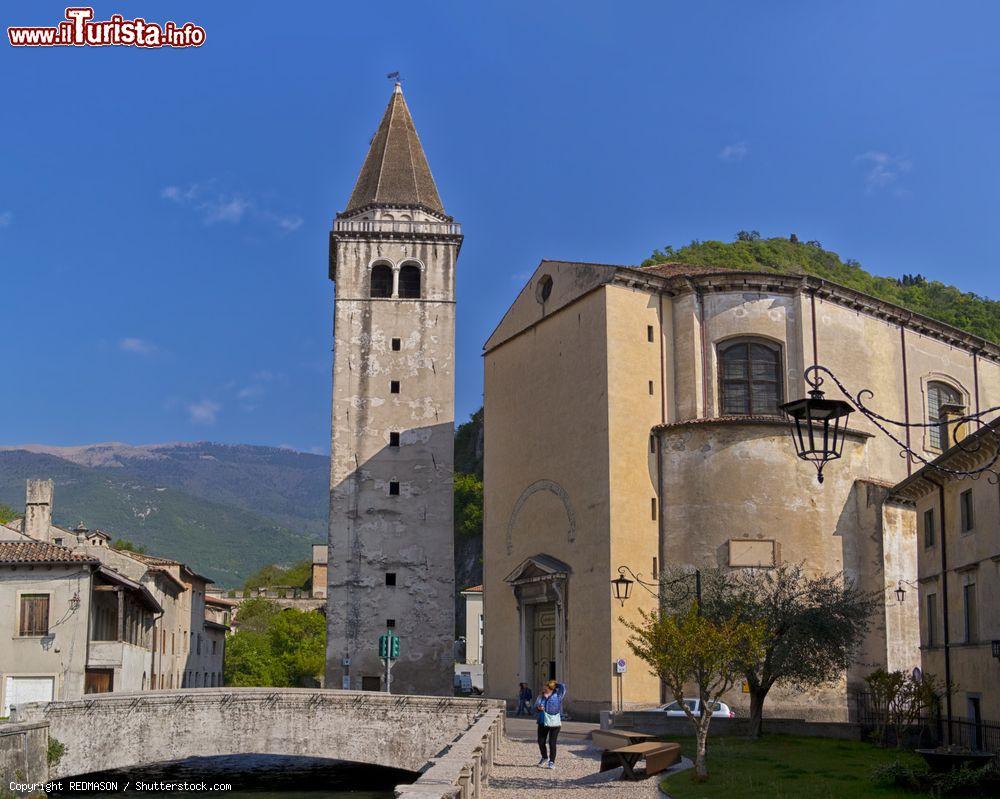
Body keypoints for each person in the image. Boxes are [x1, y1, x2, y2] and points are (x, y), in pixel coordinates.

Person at [535, 679, 566, 769]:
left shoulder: (558, 695)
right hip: (542, 722)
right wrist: (538, 708)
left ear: (552, 688)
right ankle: (544, 757)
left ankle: (551, 761)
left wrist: (556, 684)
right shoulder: (540, 697)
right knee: (541, 741)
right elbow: (534, 709)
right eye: (545, 687)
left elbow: (563, 687)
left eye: (547, 687)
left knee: (552, 743)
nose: (545, 688)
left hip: (554, 723)